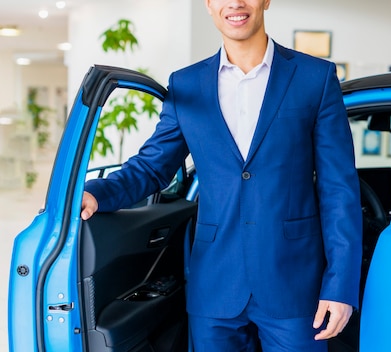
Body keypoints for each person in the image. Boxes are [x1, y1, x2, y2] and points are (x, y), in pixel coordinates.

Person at [80, 0, 363, 350]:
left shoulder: (314, 77)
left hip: (294, 283)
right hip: (215, 284)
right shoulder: (186, 84)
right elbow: (152, 166)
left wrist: (340, 287)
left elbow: (339, 190)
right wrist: (96, 193)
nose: (236, 4)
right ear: (209, 5)